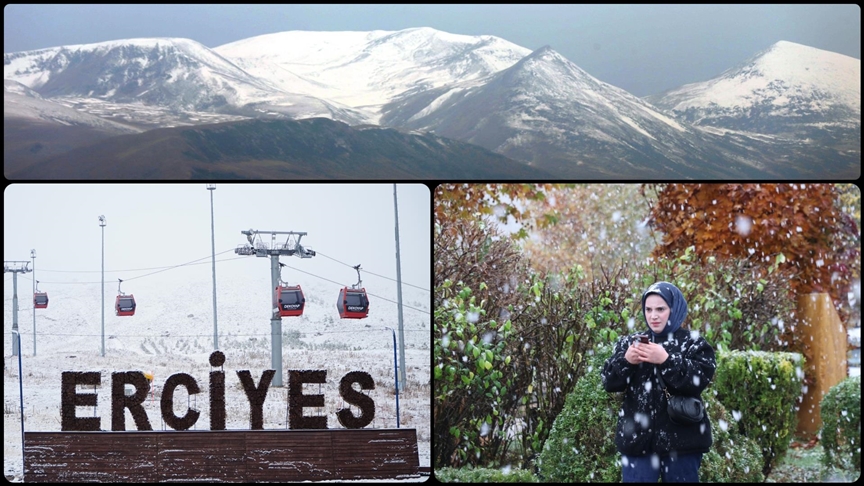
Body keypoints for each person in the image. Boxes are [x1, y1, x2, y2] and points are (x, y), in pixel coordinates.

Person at [601, 281, 716, 482]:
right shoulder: (632, 342)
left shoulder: (693, 342)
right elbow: (609, 383)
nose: (653, 316)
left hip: (682, 442)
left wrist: (666, 360)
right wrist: (626, 361)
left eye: (661, 309)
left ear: (675, 309)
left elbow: (699, 380)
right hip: (638, 442)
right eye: (648, 309)